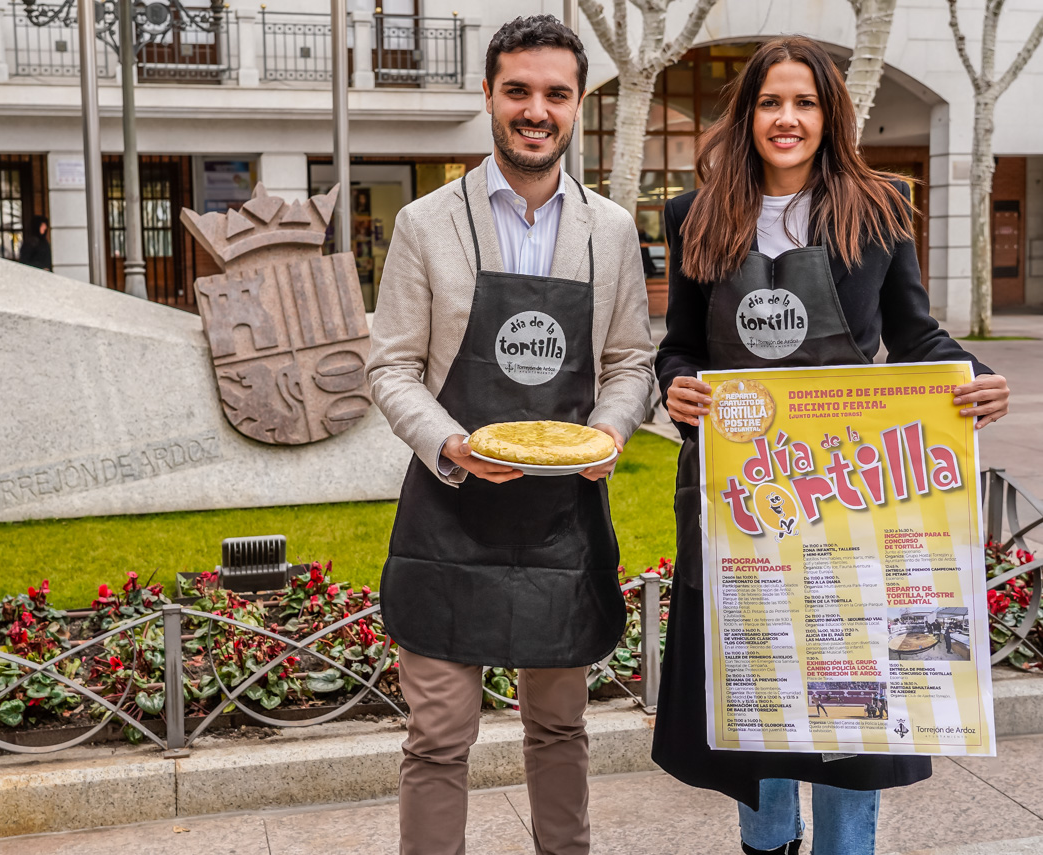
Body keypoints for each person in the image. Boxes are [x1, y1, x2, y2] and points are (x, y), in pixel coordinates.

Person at [651, 36, 1011, 855]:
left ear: (830, 115)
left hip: (850, 500)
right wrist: (678, 387)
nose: (787, 119)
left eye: (804, 103)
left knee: (854, 706)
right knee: (758, 695)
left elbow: (917, 335)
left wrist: (973, 374)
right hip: (743, 500)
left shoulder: (878, 206)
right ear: (747, 114)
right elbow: (678, 347)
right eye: (771, 102)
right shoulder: (695, 213)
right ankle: (768, 842)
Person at [366, 15, 655, 855]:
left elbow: (632, 360)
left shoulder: (609, 229)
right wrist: (453, 445)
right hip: (449, 514)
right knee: (438, 736)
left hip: (561, 522)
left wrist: (606, 431)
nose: (537, 109)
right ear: (489, 96)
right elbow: (390, 369)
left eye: (556, 94)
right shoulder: (427, 223)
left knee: (559, 729)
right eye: (519, 90)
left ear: (576, 104)